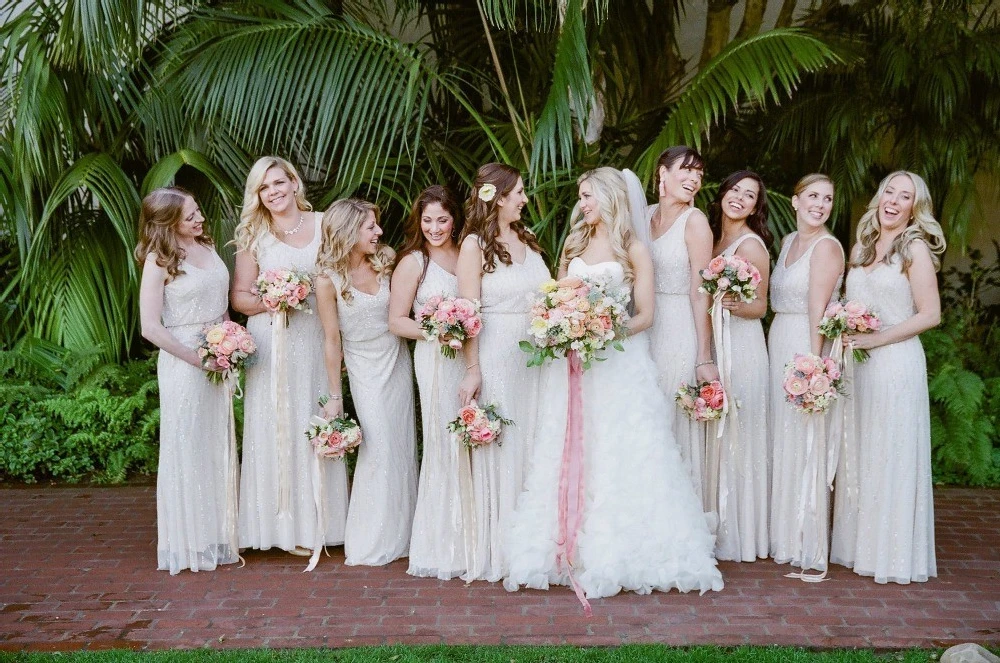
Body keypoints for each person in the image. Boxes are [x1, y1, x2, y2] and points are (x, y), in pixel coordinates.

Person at [503, 167, 723, 608]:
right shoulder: (574, 244)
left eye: (588, 196)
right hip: (575, 367)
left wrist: (603, 328)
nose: (582, 205)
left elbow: (646, 315)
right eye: (581, 197)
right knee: (572, 449)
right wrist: (565, 326)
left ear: (609, 197)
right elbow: (556, 296)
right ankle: (568, 548)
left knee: (622, 451)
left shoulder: (633, 249)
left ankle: (627, 550)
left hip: (619, 365)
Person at [831, 171, 945, 584]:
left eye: (905, 196)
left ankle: (892, 553)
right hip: (861, 366)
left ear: (915, 207)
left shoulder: (913, 248)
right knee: (862, 450)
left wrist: (875, 339)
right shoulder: (862, 246)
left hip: (896, 363)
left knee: (890, 453)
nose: (894, 201)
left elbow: (930, 314)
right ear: (879, 197)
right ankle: (860, 546)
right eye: (890, 192)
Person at [232, 157, 348, 557]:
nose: (274, 192)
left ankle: (323, 524)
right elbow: (241, 298)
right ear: (257, 196)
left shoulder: (324, 225)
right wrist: (278, 299)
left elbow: (343, 275)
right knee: (275, 424)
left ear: (295, 183)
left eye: (279, 182)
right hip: (272, 344)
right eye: (264, 188)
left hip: (317, 339)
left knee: (313, 418)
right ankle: (279, 526)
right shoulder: (254, 235)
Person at [136, 187, 239, 574]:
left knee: (216, 443)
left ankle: (218, 534)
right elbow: (150, 327)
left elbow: (221, 304)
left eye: (199, 211)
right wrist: (197, 358)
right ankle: (188, 541)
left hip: (218, 356)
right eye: (190, 216)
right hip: (184, 362)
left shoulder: (208, 247)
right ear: (167, 223)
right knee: (188, 444)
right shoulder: (158, 259)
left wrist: (231, 341)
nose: (200, 220)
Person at [455, 163, 550, 582]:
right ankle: (502, 549)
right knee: (506, 445)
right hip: (497, 356)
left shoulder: (527, 238)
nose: (525, 200)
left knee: (535, 444)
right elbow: (468, 313)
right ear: (496, 197)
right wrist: (473, 369)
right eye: (519, 193)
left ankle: (538, 544)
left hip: (538, 359)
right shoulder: (474, 245)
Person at [315, 198, 418, 566]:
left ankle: (403, 534)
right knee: (379, 446)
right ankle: (371, 537)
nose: (378, 232)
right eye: (370, 227)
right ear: (347, 232)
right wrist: (334, 395)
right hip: (364, 369)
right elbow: (331, 339)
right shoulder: (328, 280)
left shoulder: (387, 263)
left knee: (402, 444)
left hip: (397, 361)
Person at [387, 185, 469, 579]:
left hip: (470, 357)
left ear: (454, 218)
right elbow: (397, 320)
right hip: (436, 359)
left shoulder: (469, 252)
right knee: (443, 440)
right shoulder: (413, 262)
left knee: (474, 437)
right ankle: (441, 540)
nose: (434, 227)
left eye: (442, 219)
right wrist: (438, 329)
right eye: (427, 220)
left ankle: (475, 531)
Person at [768, 174, 845, 578]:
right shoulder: (785, 244)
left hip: (805, 345)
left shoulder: (827, 247)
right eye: (813, 196)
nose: (820, 204)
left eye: (827, 198)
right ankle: (781, 536)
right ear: (795, 201)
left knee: (806, 440)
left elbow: (819, 311)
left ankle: (805, 540)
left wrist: (815, 367)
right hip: (779, 340)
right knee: (784, 439)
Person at [705, 170, 772, 562]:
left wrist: (728, 303)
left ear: (754, 207)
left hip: (742, 346)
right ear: (723, 193)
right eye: (735, 189)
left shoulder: (752, 245)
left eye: (749, 196)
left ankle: (739, 534)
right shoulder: (713, 237)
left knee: (738, 435)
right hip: (716, 340)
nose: (740, 198)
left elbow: (761, 306)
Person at [645, 146, 718, 506]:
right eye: (686, 170)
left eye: (699, 173)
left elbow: (700, 290)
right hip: (643, 328)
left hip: (679, 330)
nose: (694, 179)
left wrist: (704, 354)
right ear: (662, 173)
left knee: (675, 419)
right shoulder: (641, 217)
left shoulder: (696, 222)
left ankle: (682, 513)